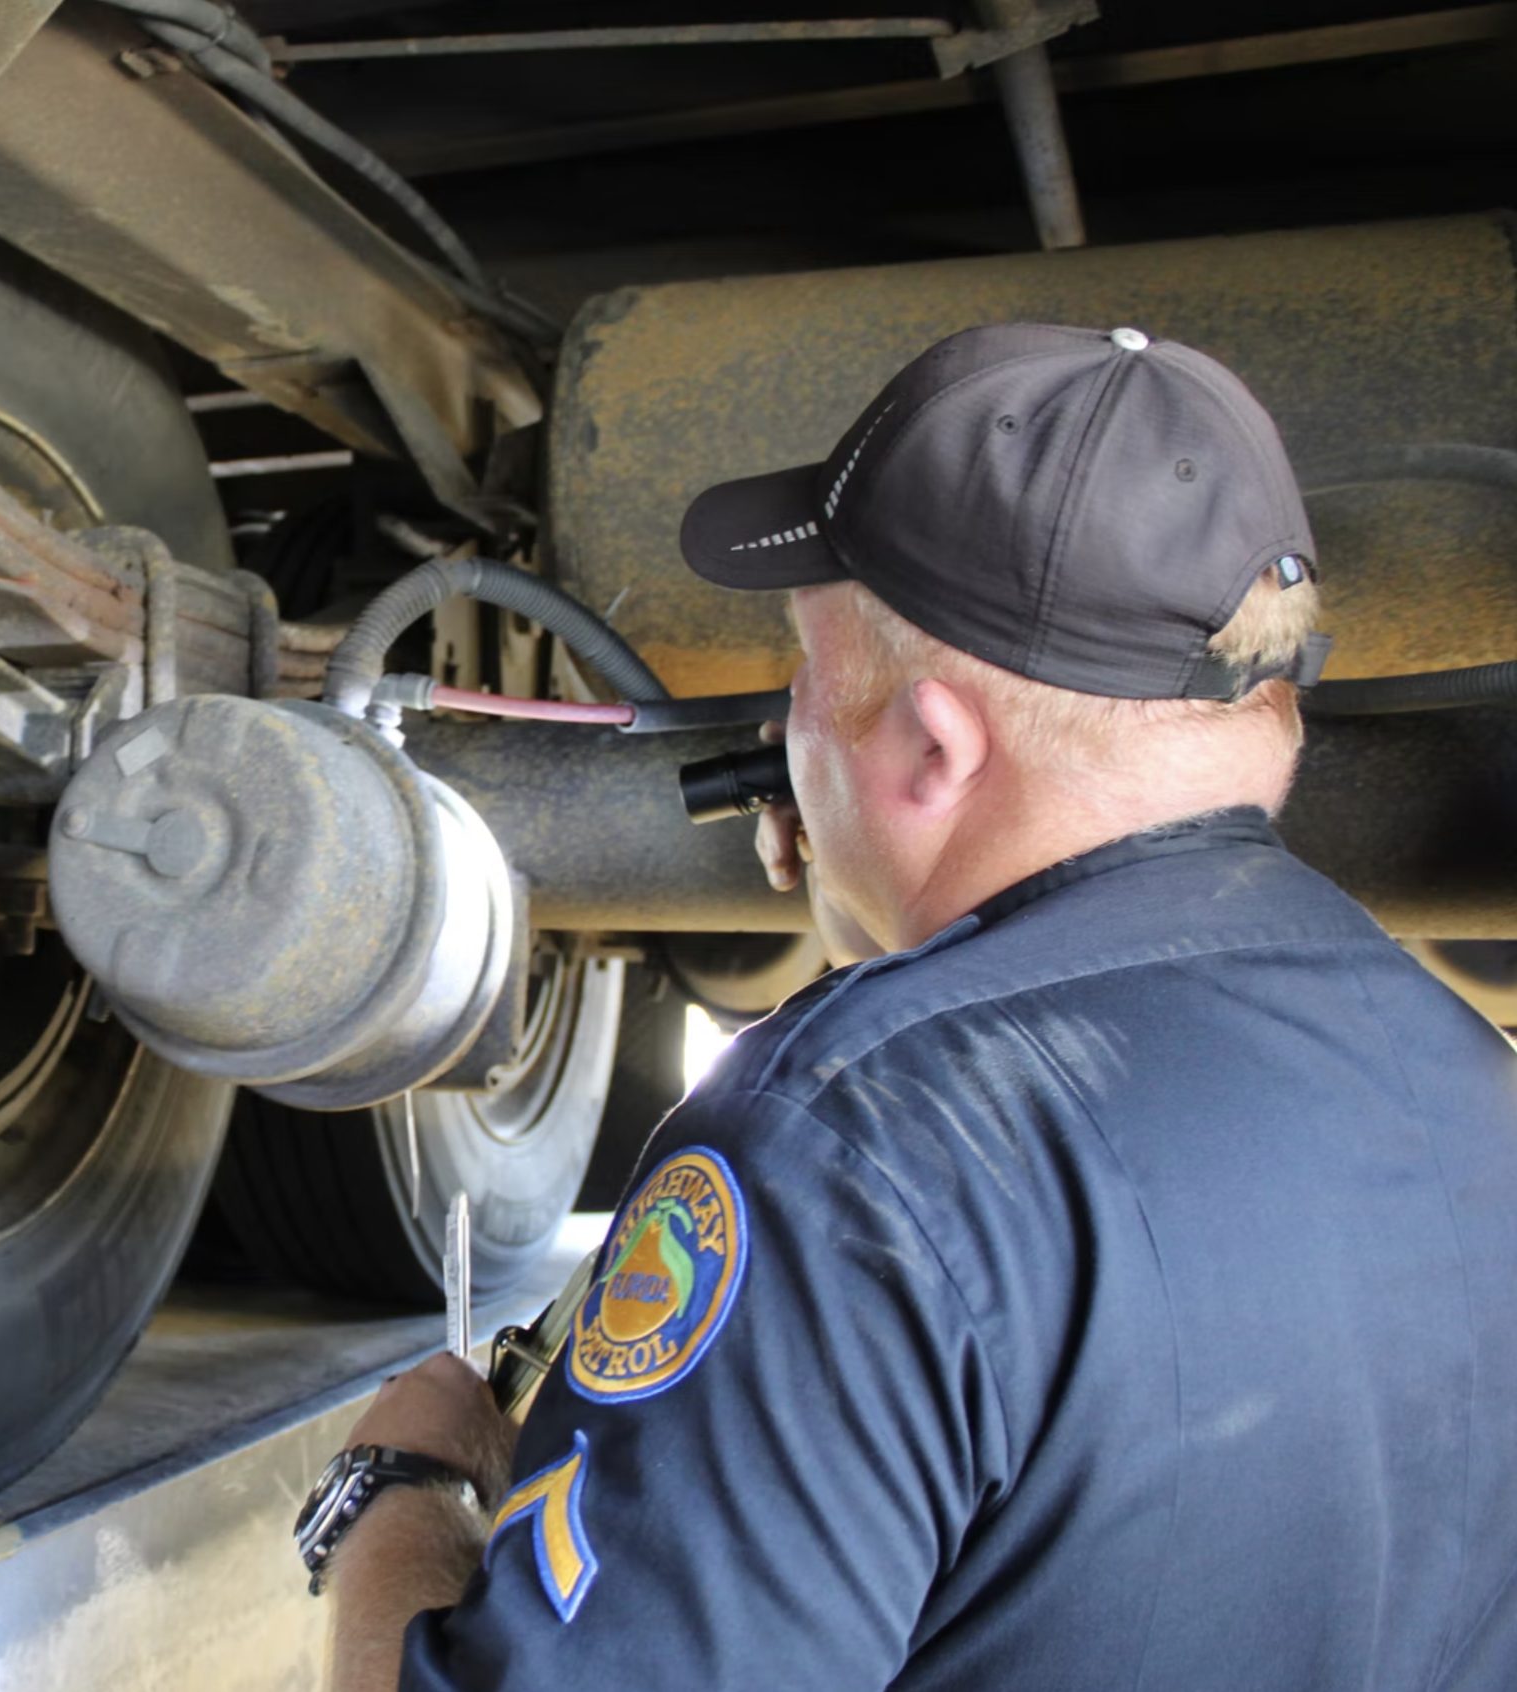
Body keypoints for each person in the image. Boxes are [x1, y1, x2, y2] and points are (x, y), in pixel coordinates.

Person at [309, 323, 1517, 1691]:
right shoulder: (1469, 1084)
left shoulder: (847, 1161)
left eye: (801, 673)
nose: (784, 729)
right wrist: (888, 906)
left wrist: (398, 1495)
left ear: (937, 747)